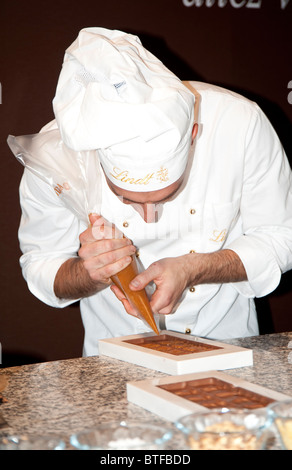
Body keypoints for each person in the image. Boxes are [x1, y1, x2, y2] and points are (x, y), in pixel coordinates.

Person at [16, 27, 292, 357]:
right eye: (126, 199)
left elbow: (282, 237)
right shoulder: (56, 151)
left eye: (166, 196)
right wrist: (90, 273)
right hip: (115, 357)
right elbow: (41, 263)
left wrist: (194, 268)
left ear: (193, 134)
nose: (149, 218)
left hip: (229, 347)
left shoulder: (239, 123)